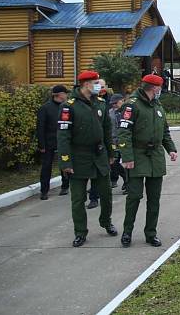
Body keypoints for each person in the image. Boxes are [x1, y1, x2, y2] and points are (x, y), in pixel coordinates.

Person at [57, 71, 118, 247]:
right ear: (86, 84)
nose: (100, 86)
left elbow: (107, 130)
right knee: (78, 199)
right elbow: (63, 136)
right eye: (96, 83)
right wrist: (65, 162)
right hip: (79, 157)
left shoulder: (100, 103)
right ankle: (80, 232)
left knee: (106, 194)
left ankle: (106, 222)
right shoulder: (69, 106)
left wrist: (111, 153)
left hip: (99, 156)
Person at [118, 74, 178, 248]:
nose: (161, 90)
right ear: (154, 88)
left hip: (156, 157)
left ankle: (151, 233)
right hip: (137, 156)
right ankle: (127, 232)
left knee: (154, 198)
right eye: (160, 87)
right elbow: (124, 132)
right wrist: (127, 157)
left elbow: (164, 131)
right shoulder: (132, 105)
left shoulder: (158, 106)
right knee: (134, 196)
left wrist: (171, 149)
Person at [36, 84, 70, 199]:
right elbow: (40, 127)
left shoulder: (66, 107)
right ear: (60, 95)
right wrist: (41, 144)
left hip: (63, 141)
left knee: (64, 164)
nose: (67, 95)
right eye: (65, 93)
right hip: (49, 142)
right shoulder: (45, 108)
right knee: (46, 166)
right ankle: (44, 190)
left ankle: (65, 186)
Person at [86, 78, 111, 209]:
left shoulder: (106, 101)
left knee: (100, 174)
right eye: (97, 85)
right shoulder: (84, 102)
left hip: (101, 147)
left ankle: (95, 197)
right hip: (84, 148)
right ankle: (92, 196)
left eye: (102, 86)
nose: (100, 88)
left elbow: (107, 127)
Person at [108, 94, 128, 192]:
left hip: (124, 141)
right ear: (115, 103)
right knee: (114, 164)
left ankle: (128, 184)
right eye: (121, 101)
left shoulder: (126, 113)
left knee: (127, 163)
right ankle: (126, 178)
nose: (123, 103)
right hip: (113, 142)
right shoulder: (109, 113)